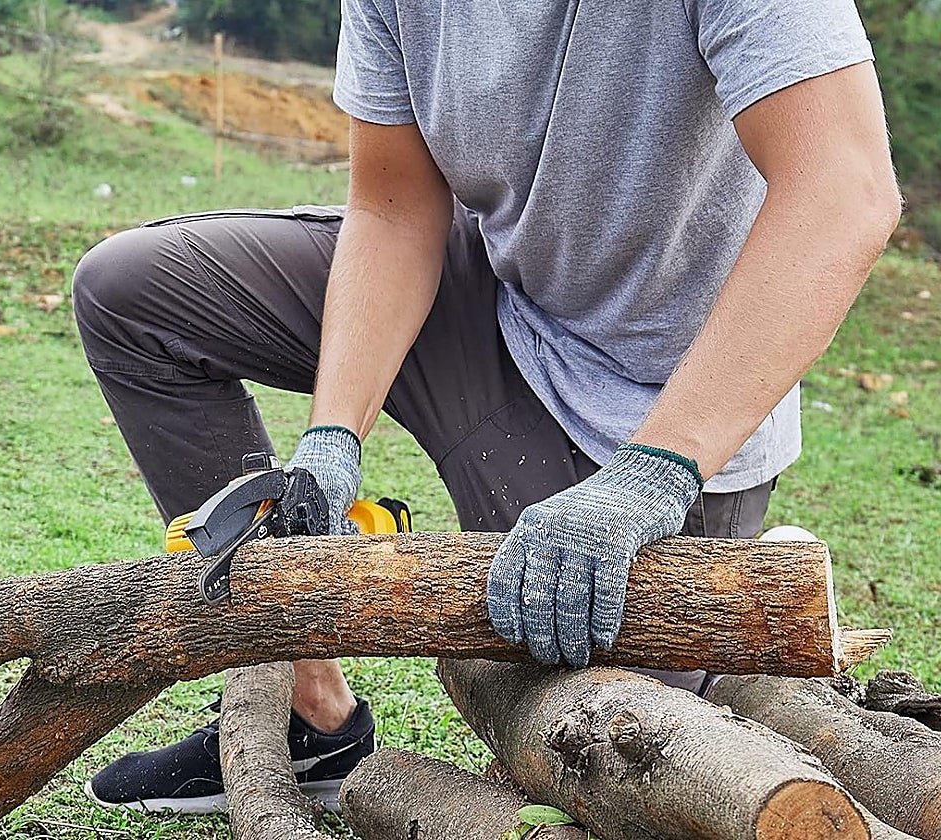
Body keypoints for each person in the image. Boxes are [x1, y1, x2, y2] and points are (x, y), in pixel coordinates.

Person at [71, 0, 900, 816]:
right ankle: (304, 711)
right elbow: (393, 208)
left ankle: (746, 598)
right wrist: (331, 437)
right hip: (494, 302)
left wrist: (650, 477)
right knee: (135, 294)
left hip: (658, 406)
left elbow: (844, 190)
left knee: (616, 748)